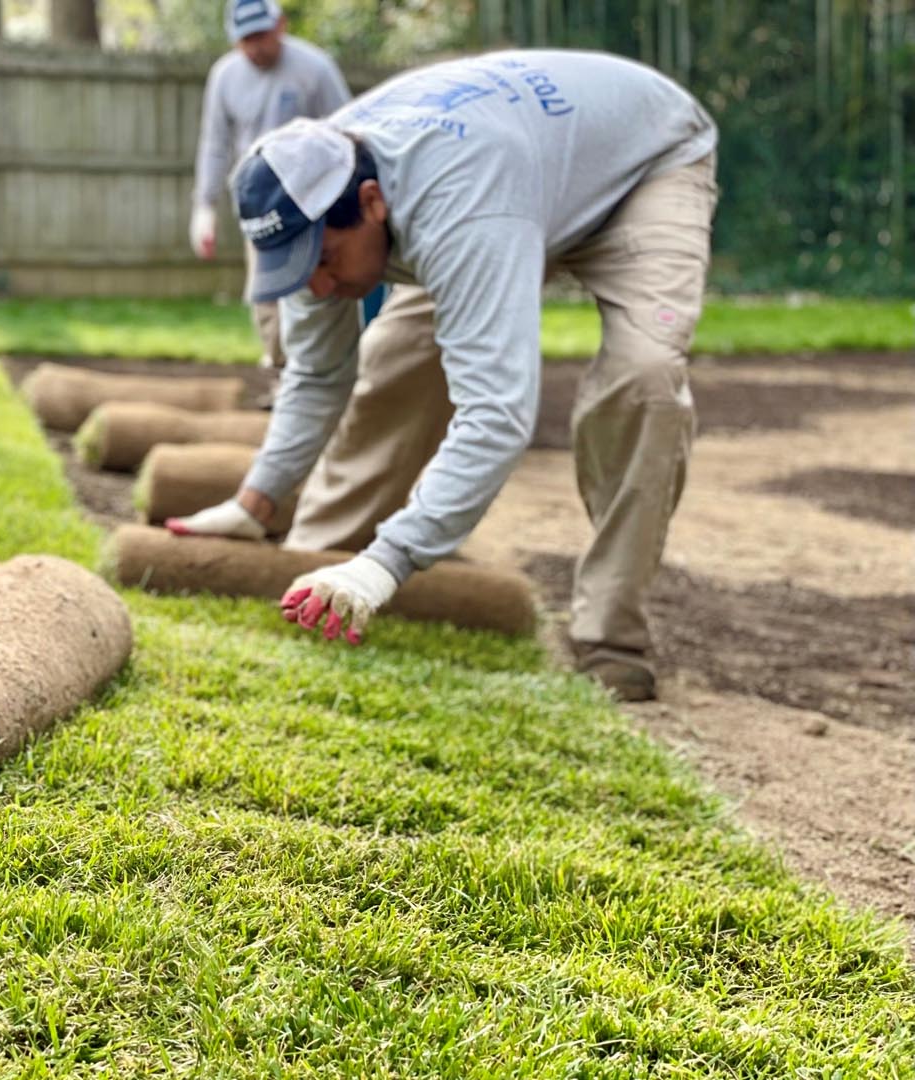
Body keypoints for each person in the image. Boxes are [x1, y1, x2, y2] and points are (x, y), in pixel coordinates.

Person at [168, 48, 719, 702]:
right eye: (294, 267)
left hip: (641, 164)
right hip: (512, 178)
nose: (314, 283)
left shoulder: (458, 202)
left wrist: (390, 562)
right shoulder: (309, 189)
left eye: (322, 259)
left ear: (370, 203)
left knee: (644, 378)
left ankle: (609, 634)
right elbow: (318, 375)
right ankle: (316, 565)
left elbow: (497, 414)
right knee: (396, 363)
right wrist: (253, 502)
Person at [190, 0, 350, 370]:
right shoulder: (225, 77)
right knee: (268, 292)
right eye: (246, 39)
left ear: (280, 25)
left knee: (319, 291)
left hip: (313, 203)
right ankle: (282, 374)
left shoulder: (315, 69)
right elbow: (214, 144)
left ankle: (323, 371)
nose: (255, 46)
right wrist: (204, 208)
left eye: (261, 35)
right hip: (259, 206)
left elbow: (346, 132)